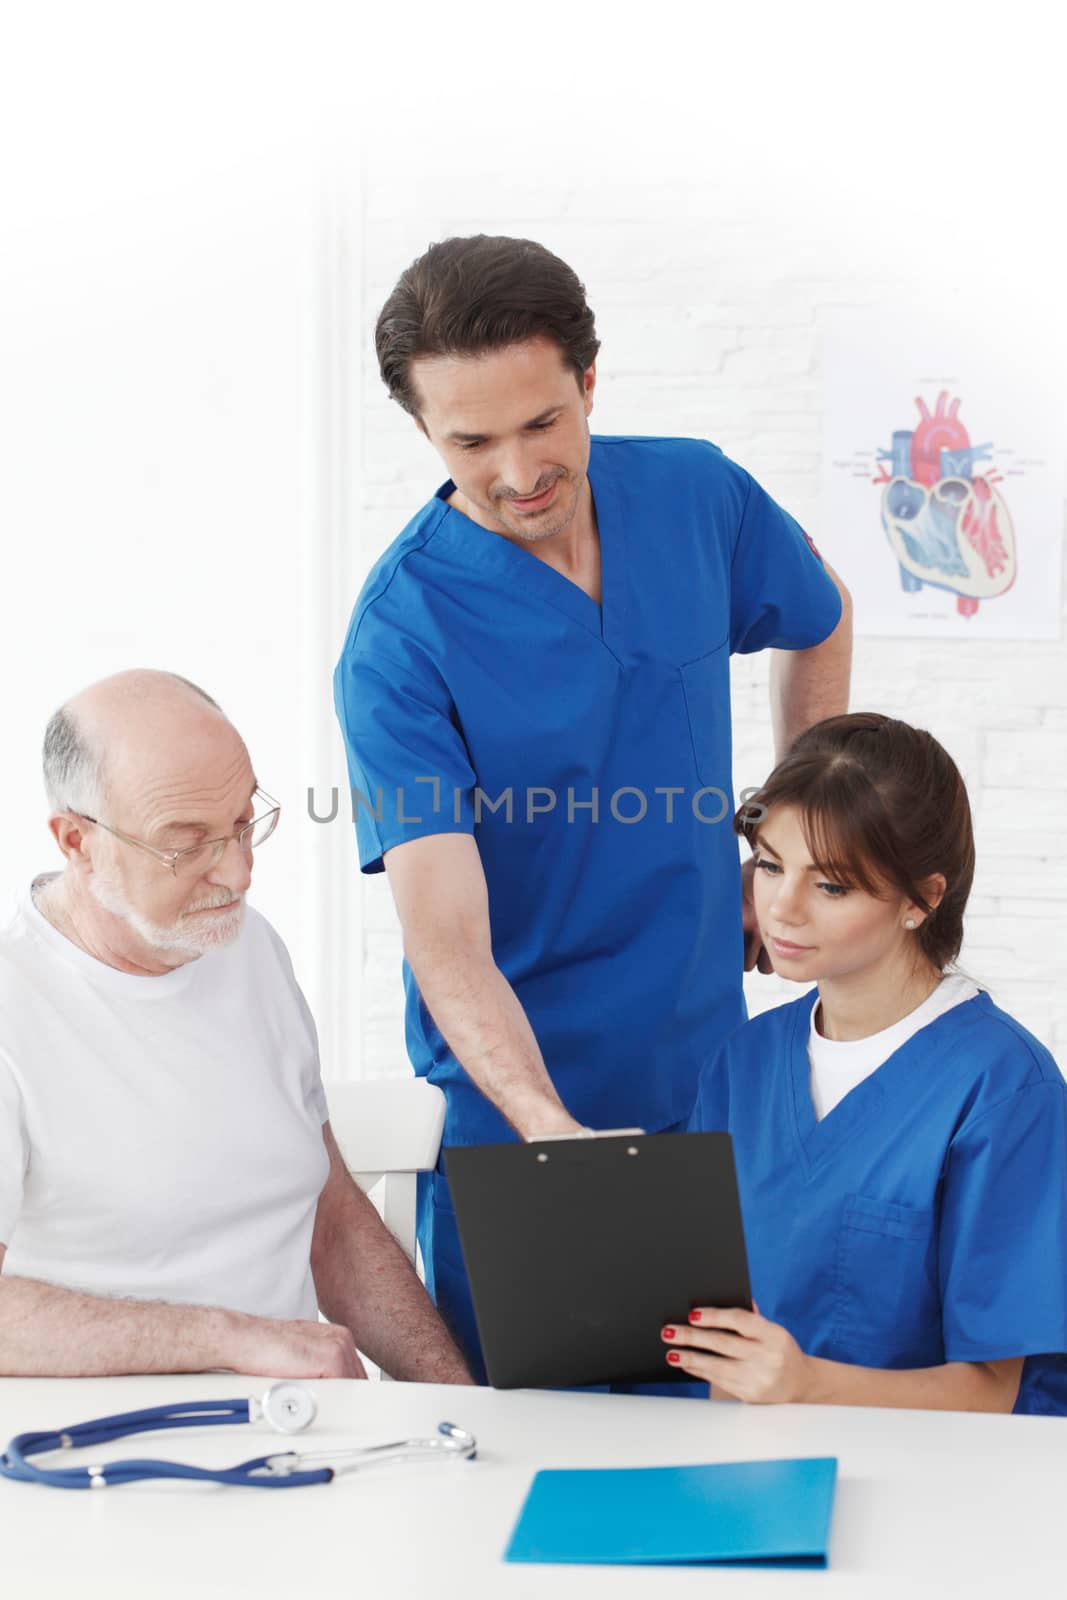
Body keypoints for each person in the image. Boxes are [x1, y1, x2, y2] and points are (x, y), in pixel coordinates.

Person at [334, 234, 853, 1376]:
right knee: (530, 1470)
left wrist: (790, 856)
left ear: (587, 381)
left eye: (541, 424)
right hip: (525, 1124)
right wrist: (549, 1129)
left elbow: (816, 615)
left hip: (711, 1080)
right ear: (424, 432)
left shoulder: (691, 493)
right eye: (470, 442)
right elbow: (445, 941)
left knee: (731, 1451)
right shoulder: (399, 641)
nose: (517, 471)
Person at [0, 669, 470, 1383]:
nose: (240, 874)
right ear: (76, 840)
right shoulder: (19, 1001)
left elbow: (331, 1219)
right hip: (89, 1459)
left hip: (284, 1436)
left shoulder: (244, 946)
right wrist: (231, 1339)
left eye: (245, 825)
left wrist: (456, 1402)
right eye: (186, 845)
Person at [664, 712, 1067, 1414]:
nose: (781, 910)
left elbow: (992, 1392)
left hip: (944, 1483)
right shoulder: (742, 1064)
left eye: (830, 886)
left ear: (922, 899)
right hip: (746, 1458)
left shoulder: (1002, 1088)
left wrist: (803, 1384)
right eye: (768, 866)